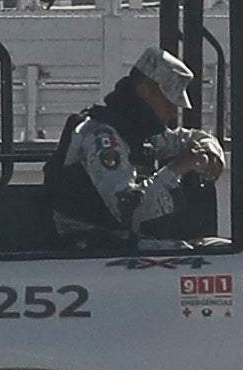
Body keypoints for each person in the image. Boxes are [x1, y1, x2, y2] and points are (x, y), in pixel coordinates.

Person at [49, 46, 217, 249]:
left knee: (214, 247)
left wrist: (209, 154)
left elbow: (193, 138)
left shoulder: (137, 132)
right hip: (91, 245)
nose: (174, 110)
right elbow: (128, 210)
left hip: (121, 243)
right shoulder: (101, 137)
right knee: (189, 257)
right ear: (145, 89)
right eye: (168, 100)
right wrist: (176, 169)